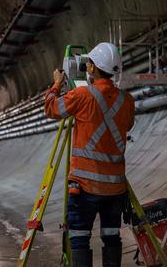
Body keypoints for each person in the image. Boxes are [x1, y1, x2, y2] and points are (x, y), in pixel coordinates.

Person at [44, 42, 135, 267]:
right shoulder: (127, 100)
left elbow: (52, 109)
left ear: (92, 68)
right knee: (112, 235)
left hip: (85, 187)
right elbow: (128, 125)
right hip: (115, 188)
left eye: (89, 64)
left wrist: (56, 84)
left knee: (79, 238)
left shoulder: (82, 95)